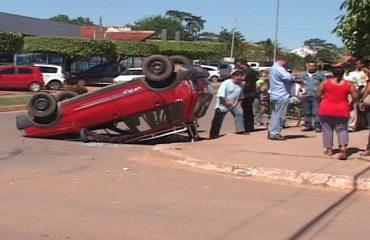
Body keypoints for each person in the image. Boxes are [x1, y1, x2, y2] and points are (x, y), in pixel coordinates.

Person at [316, 67, 358, 160]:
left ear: (332, 73)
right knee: (342, 129)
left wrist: (320, 103)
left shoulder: (325, 82)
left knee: (327, 129)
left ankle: (329, 150)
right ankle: (343, 148)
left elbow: (318, 95)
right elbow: (355, 96)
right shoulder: (348, 84)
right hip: (342, 109)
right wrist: (351, 104)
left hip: (326, 108)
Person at [209, 70, 246, 139]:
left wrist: (239, 104)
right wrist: (226, 101)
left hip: (234, 104)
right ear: (235, 76)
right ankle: (213, 134)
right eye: (240, 77)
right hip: (223, 104)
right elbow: (220, 94)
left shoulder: (240, 85)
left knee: (239, 114)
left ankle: (240, 130)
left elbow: (241, 96)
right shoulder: (226, 83)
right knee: (218, 119)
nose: (241, 79)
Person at [267, 55, 295, 140]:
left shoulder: (273, 68)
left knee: (275, 114)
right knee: (280, 115)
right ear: (283, 60)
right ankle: (274, 133)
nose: (287, 64)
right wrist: (292, 77)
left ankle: (271, 130)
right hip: (281, 95)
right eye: (286, 62)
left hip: (275, 94)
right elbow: (288, 77)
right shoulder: (279, 68)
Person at [300, 61, 326, 132]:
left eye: (313, 66)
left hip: (316, 96)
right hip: (305, 95)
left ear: (316, 67)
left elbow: (325, 84)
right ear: (308, 66)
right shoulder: (304, 75)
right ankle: (307, 126)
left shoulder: (321, 75)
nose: (311, 67)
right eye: (310, 66)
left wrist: (322, 94)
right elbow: (300, 84)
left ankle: (317, 126)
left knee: (316, 112)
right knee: (306, 112)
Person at [234, 59, 258, 133]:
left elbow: (243, 82)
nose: (237, 67)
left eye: (238, 65)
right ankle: (250, 127)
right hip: (252, 92)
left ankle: (246, 127)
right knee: (249, 110)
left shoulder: (246, 72)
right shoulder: (252, 71)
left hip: (247, 93)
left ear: (243, 64)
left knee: (246, 111)